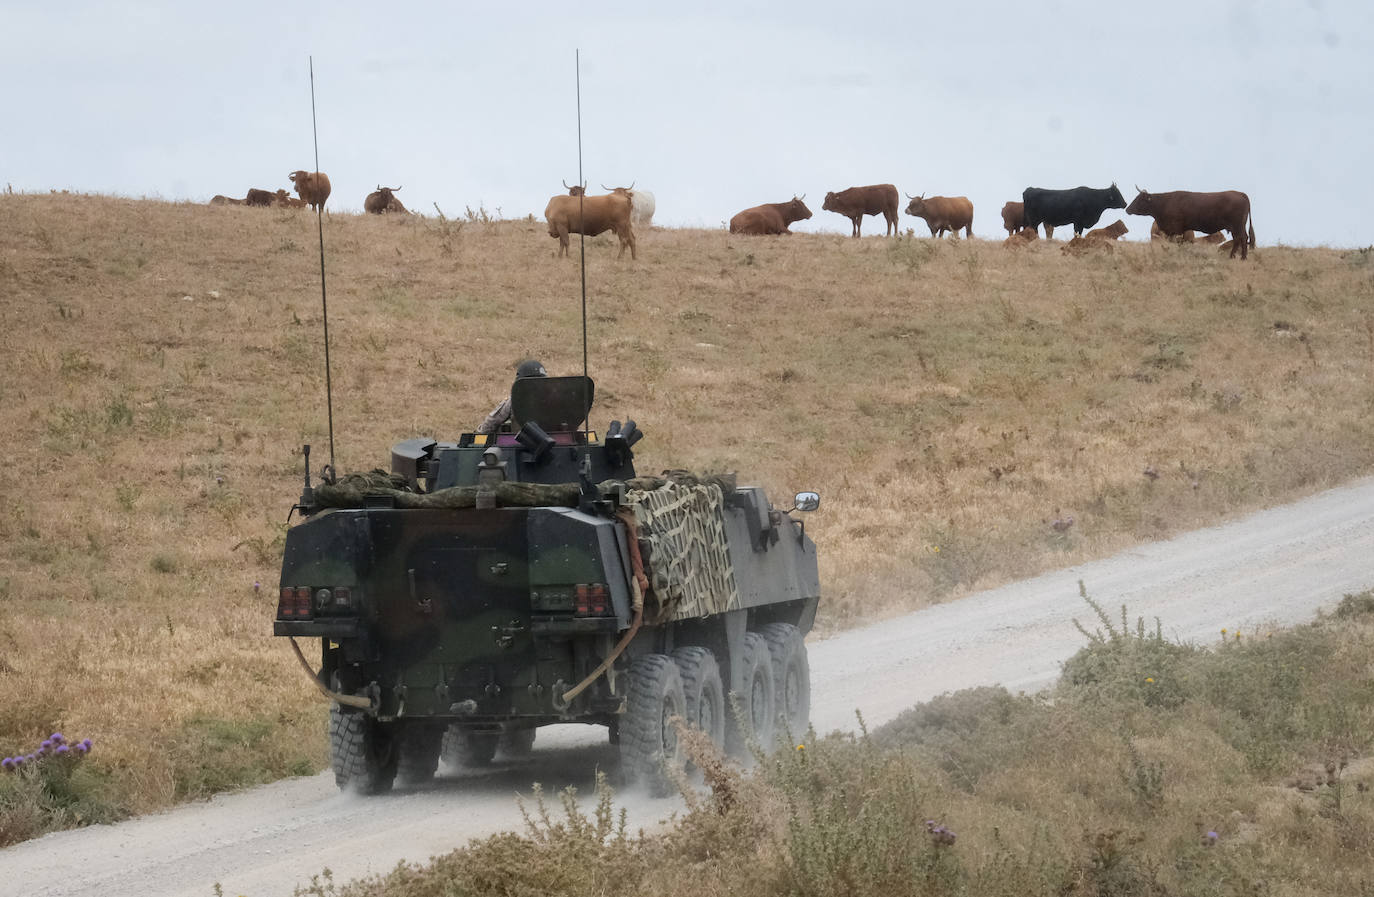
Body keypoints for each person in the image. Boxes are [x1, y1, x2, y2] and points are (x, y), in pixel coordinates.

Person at [475, 359, 547, 434]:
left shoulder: (514, 401)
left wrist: (478, 434)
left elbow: (490, 424)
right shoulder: (556, 398)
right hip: (556, 443)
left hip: (520, 444)